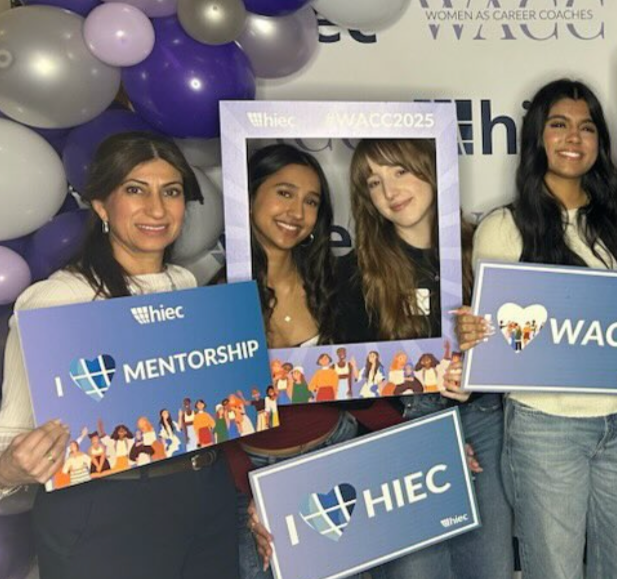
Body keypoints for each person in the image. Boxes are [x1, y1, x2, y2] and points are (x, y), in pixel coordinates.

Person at [0, 132, 238, 578]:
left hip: (207, 496)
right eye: (135, 190)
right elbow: (9, 438)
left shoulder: (186, 286)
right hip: (106, 513)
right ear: (102, 206)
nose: (157, 209)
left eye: (171, 192)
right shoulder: (58, 300)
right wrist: (10, 469)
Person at [455, 80, 617, 579]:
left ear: (599, 141)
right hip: (546, 427)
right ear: (537, 137)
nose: (574, 138)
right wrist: (473, 335)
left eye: (587, 127)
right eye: (559, 125)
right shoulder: (503, 228)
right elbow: (497, 340)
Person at [334, 138, 513, 579]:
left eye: (399, 171)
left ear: (429, 168)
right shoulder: (356, 271)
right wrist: (428, 442)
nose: (389, 191)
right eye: (374, 182)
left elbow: (517, 346)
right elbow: (353, 390)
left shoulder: (482, 248)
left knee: (490, 567)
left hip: (483, 423)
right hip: (402, 432)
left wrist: (479, 374)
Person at [221, 144, 403, 579]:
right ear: (249, 196)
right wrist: (251, 488)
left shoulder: (335, 284)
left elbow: (361, 390)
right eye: (284, 193)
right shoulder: (216, 297)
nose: (297, 212)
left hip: (338, 458)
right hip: (256, 481)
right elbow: (211, 421)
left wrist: (429, 442)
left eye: (311, 201)